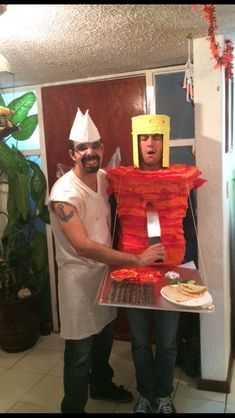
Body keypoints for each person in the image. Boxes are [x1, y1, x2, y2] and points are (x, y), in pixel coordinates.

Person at [48, 108, 165, 413]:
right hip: (78, 281)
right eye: (82, 147)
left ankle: (101, 385)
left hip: (105, 274)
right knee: (79, 352)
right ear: (72, 154)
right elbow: (84, 247)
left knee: (104, 337)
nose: (90, 152)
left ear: (101, 148)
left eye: (95, 145)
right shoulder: (63, 193)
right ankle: (72, 408)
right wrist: (135, 258)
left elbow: (133, 187)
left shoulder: (102, 177)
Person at [107, 114, 206, 413]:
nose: (150, 144)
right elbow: (116, 226)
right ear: (137, 142)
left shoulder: (180, 179)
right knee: (139, 340)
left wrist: (190, 270)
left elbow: (189, 227)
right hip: (134, 272)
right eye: (144, 138)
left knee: (166, 341)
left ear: (164, 141)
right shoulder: (122, 179)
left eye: (156, 137)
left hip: (171, 275)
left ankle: (163, 396)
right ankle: (146, 395)